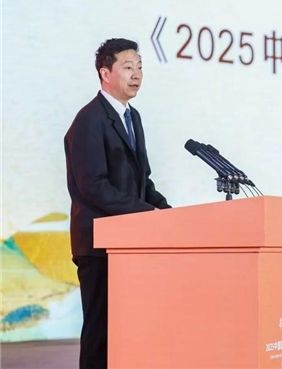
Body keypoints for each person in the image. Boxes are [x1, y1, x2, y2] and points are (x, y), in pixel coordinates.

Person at [64, 38, 171, 369]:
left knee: (126, 332)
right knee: (100, 333)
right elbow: (93, 186)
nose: (136, 74)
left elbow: (143, 182)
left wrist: (169, 215)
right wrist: (148, 213)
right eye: (128, 67)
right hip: (98, 246)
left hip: (129, 244)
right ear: (105, 73)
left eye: (140, 67)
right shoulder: (88, 120)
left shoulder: (132, 117)